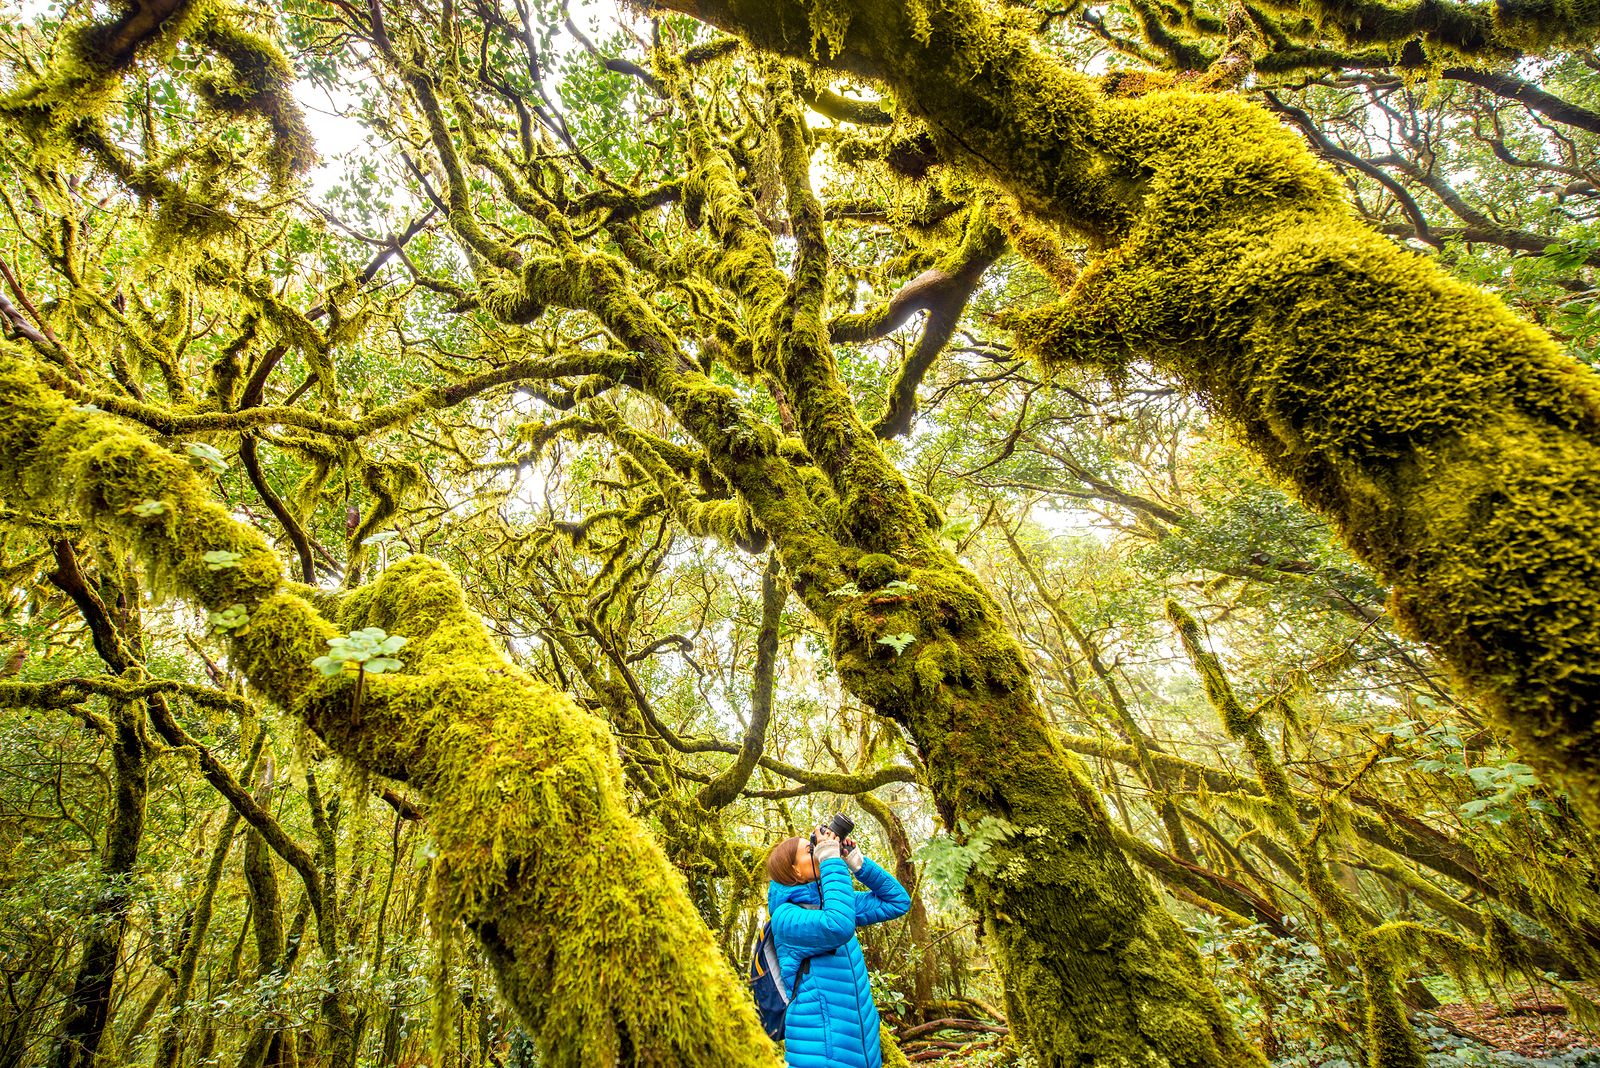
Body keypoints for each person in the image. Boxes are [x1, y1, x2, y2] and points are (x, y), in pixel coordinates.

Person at [765, 824, 911, 1068]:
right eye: (809, 849)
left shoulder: (832, 905)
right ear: (795, 872)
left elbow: (898, 901)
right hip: (821, 1053)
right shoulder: (785, 918)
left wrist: (856, 862)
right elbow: (838, 925)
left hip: (862, 1048)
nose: (817, 850)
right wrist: (830, 856)